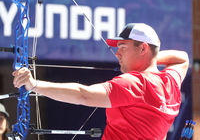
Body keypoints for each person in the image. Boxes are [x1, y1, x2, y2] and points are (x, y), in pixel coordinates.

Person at [12, 23, 189, 140]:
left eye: (122, 47)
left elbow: (84, 95)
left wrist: (34, 84)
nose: (117, 54)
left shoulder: (135, 83)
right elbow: (183, 58)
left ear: (143, 48)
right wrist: (151, 60)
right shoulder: (171, 81)